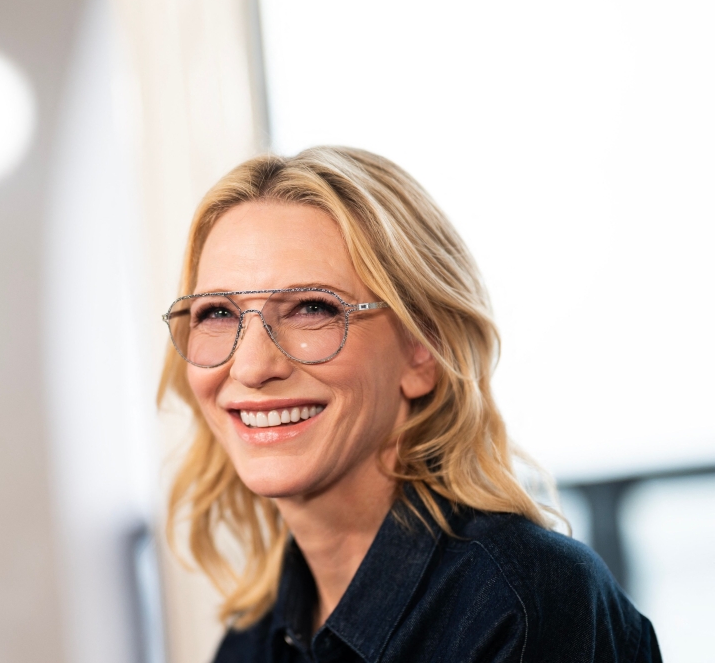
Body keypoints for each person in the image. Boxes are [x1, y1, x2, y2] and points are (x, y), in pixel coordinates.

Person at [158, 146, 661, 662]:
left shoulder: (526, 606)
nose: (251, 366)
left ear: (424, 350)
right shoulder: (250, 646)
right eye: (217, 313)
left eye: (313, 308)